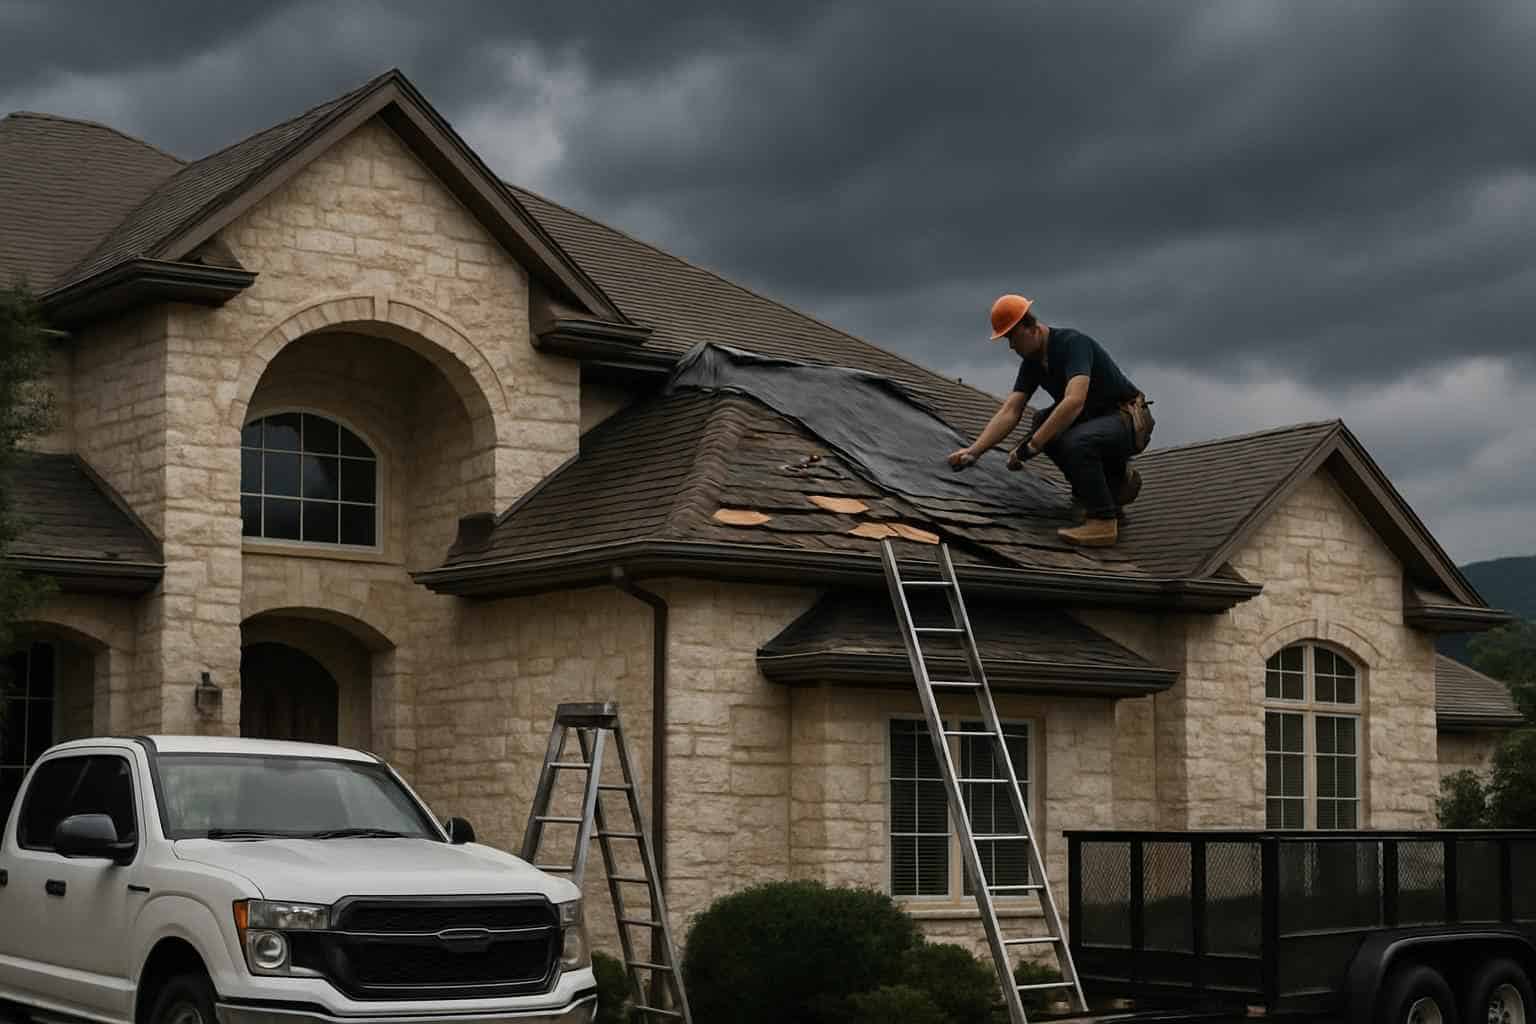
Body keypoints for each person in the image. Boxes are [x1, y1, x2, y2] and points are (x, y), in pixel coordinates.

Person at [947, 295, 1153, 547]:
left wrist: (1030, 447)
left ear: (1030, 327)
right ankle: (1107, 490)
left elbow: (1074, 401)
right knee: (1042, 422)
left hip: (1125, 419)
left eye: (1012, 337)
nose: (1011, 346)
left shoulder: (1072, 344)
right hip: (1093, 420)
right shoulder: (1032, 363)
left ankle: (1103, 521)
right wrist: (974, 451)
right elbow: (1011, 410)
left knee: (1072, 441)